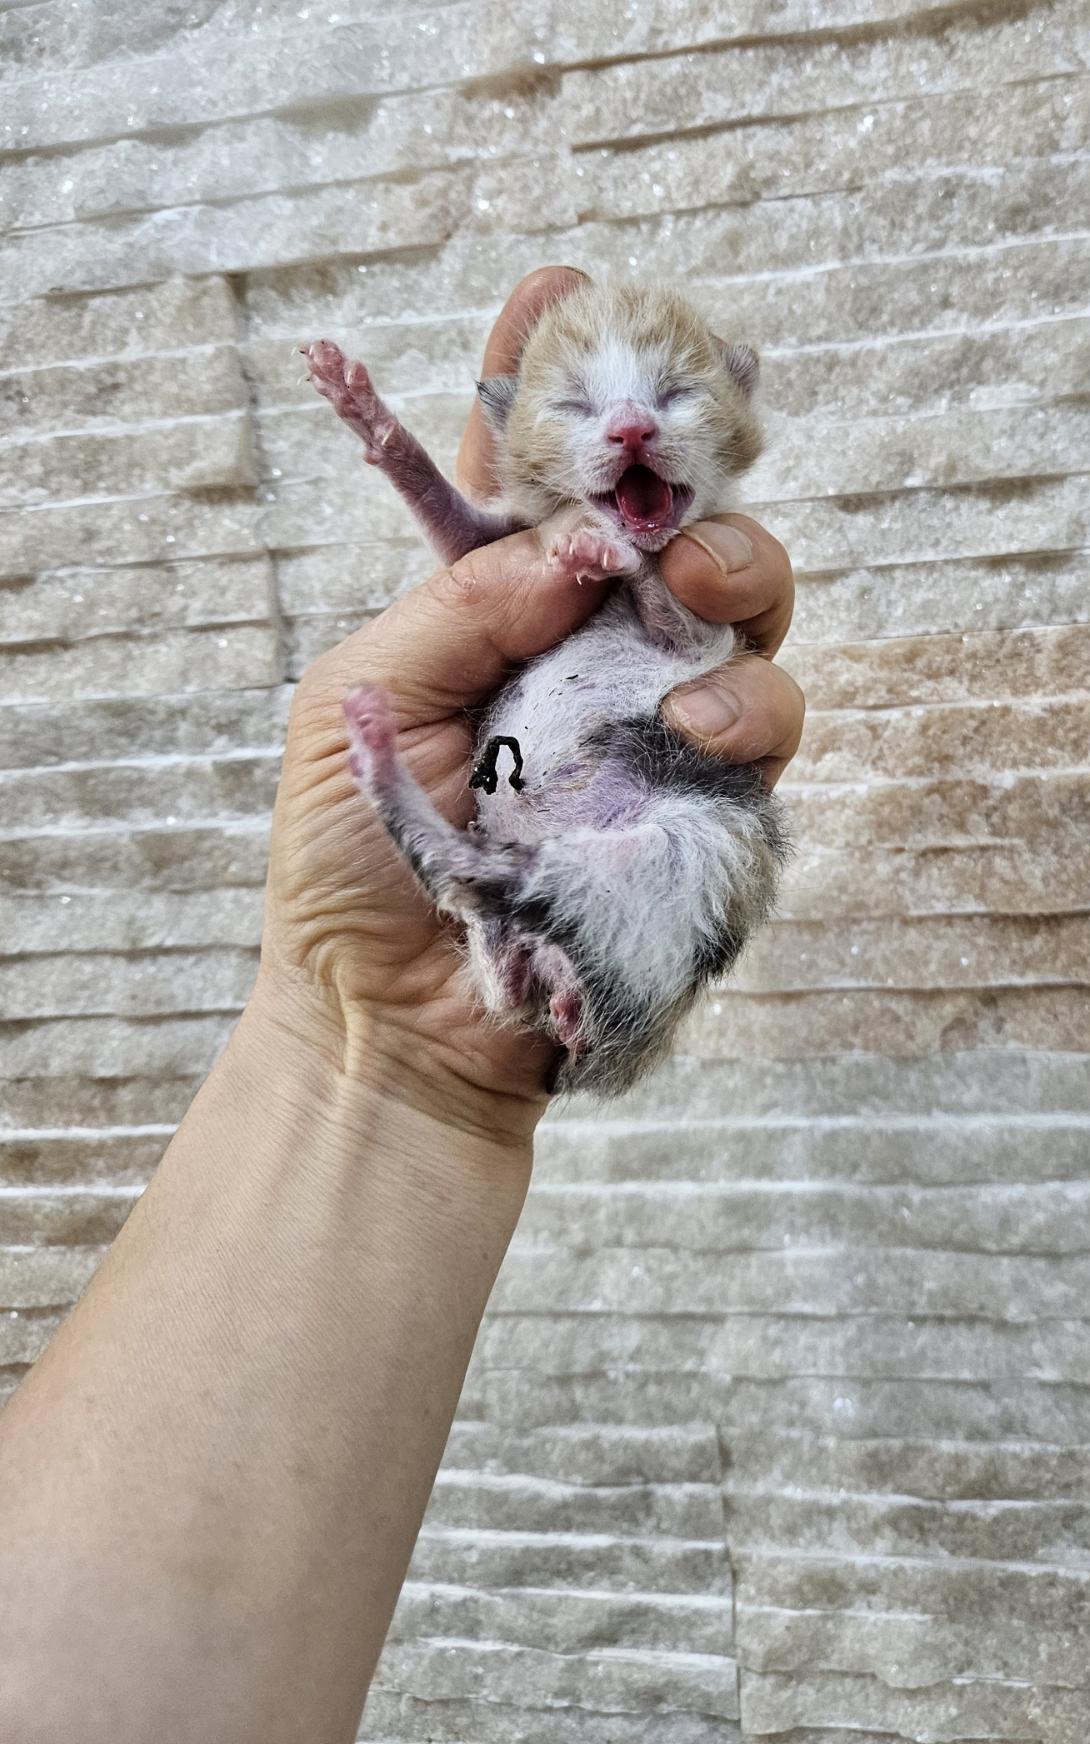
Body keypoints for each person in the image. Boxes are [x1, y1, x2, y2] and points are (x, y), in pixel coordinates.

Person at [0, 268, 805, 1744]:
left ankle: (514, 915)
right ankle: (472, 880)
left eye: (679, 397)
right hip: (518, 835)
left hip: (593, 828)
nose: (630, 426)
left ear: (743, 411)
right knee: (565, 837)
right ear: (520, 436)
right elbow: (472, 554)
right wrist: (385, 438)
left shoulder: (686, 586)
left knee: (693, 840)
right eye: (579, 407)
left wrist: (402, 1066)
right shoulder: (535, 562)